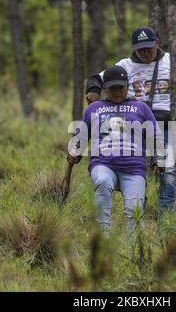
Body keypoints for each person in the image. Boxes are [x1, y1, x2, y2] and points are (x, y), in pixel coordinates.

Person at [85, 26, 176, 212]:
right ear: (134, 47)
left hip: (165, 124)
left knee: (168, 172)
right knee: (134, 169)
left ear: (157, 43)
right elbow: (97, 78)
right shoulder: (125, 66)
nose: (144, 53)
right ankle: (137, 206)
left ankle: (163, 215)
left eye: (148, 48)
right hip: (133, 125)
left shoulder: (173, 62)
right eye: (140, 49)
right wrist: (93, 90)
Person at [68, 65, 166, 234]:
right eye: (112, 89)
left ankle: (133, 250)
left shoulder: (141, 108)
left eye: (120, 88)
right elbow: (81, 136)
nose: (117, 92)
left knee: (134, 210)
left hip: (134, 168)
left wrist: (159, 159)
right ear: (105, 89)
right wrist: (75, 153)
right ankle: (102, 239)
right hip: (103, 163)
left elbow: (155, 135)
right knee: (102, 182)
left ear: (127, 87)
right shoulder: (94, 108)